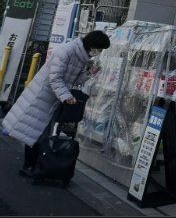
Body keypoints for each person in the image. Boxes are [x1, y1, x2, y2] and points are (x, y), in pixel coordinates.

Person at [2, 30, 110, 175]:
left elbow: (73, 80)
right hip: (42, 96)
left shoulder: (82, 56)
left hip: (54, 97)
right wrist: (66, 96)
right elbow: (55, 78)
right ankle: (29, 166)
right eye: (99, 49)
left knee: (40, 133)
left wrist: (89, 73)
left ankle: (34, 166)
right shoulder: (67, 51)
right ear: (93, 45)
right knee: (34, 132)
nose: (99, 52)